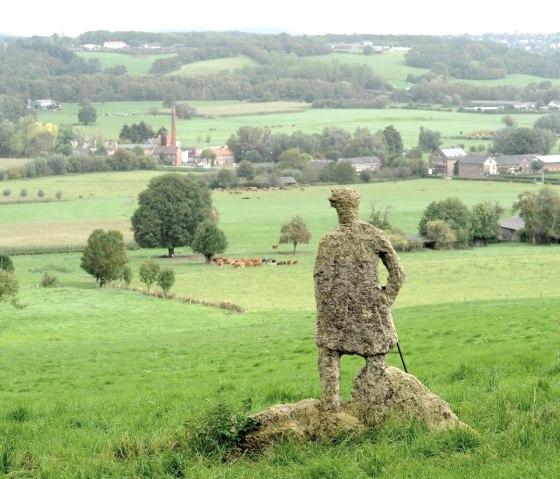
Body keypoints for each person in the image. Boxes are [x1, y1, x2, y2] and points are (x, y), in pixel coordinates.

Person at [314, 187, 406, 410]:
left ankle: (331, 404)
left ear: (336, 207)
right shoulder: (374, 235)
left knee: (329, 352)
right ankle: (373, 406)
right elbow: (399, 273)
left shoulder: (329, 240)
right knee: (375, 356)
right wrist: (386, 299)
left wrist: (325, 310)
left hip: (336, 314)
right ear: (357, 205)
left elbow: (320, 279)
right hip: (370, 311)